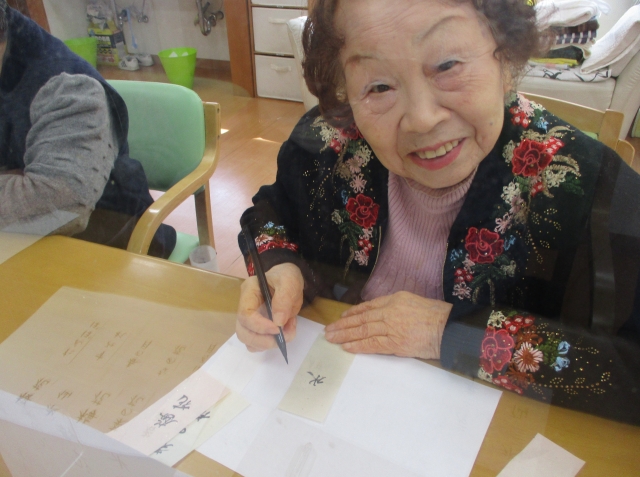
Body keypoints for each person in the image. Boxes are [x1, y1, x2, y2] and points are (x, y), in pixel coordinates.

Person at [237, 0, 640, 424]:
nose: (422, 119)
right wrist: (279, 266)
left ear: (506, 57)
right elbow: (273, 211)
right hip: (336, 410)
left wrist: (448, 332)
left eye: (447, 65)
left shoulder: (586, 188)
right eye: (378, 87)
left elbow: (628, 367)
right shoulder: (329, 145)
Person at [0, 2, 175, 257]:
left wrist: (28, 187)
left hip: (107, 241)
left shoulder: (69, 86)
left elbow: (58, 203)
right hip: (24, 241)